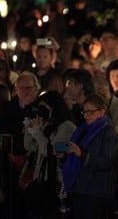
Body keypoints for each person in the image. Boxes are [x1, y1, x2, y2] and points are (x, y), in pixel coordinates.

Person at [62, 93, 118, 219]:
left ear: (102, 111)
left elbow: (107, 161)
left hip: (96, 191)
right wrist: (64, 154)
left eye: (91, 112)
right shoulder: (82, 130)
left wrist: (82, 154)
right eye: (84, 112)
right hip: (79, 187)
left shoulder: (108, 133)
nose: (87, 116)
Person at [23, 90, 76, 218]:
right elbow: (29, 145)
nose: (42, 111)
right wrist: (29, 127)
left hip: (57, 182)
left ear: (55, 107)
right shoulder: (48, 126)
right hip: (43, 180)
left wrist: (37, 133)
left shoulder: (67, 127)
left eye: (44, 108)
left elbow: (51, 151)